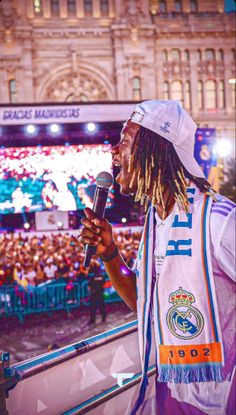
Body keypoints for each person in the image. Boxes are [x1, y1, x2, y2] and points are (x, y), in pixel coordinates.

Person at [79, 100, 235, 415]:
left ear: (155, 150)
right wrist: (110, 253)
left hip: (220, 400)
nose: (113, 150)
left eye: (124, 141)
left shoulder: (219, 222)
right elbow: (144, 304)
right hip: (170, 391)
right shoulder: (158, 223)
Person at [87, 257, 106, 326]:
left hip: (95, 292)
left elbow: (90, 284)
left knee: (94, 306)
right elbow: (102, 282)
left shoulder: (91, 275)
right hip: (99, 292)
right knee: (100, 305)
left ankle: (93, 319)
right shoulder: (100, 275)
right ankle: (103, 317)